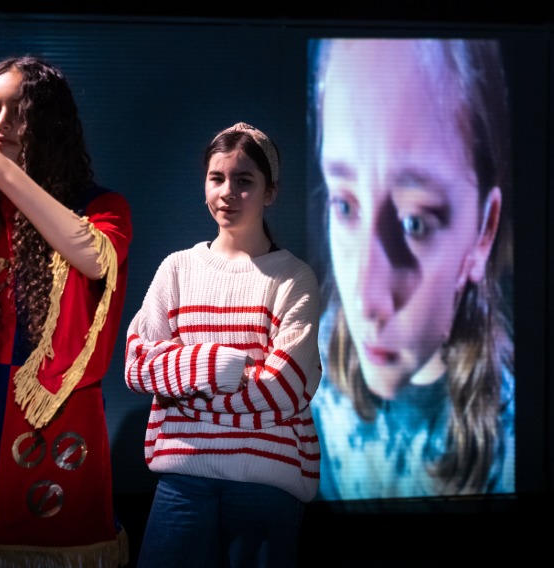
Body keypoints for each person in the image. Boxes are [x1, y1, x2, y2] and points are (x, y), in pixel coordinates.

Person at [0, 56, 132, 566]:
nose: (0, 124)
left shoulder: (101, 206)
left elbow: (92, 258)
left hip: (54, 419)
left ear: (50, 124)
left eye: (20, 110)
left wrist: (2, 172)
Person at [307, 38, 515, 500]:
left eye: (414, 222)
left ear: (483, 232)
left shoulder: (512, 447)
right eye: (344, 205)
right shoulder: (309, 375)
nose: (365, 299)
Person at [124, 123, 321, 567]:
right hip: (181, 481)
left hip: (265, 485)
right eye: (217, 178)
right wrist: (218, 367)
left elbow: (283, 388)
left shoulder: (293, 278)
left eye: (244, 180)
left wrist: (184, 392)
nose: (227, 192)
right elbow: (137, 365)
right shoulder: (177, 269)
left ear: (270, 192)